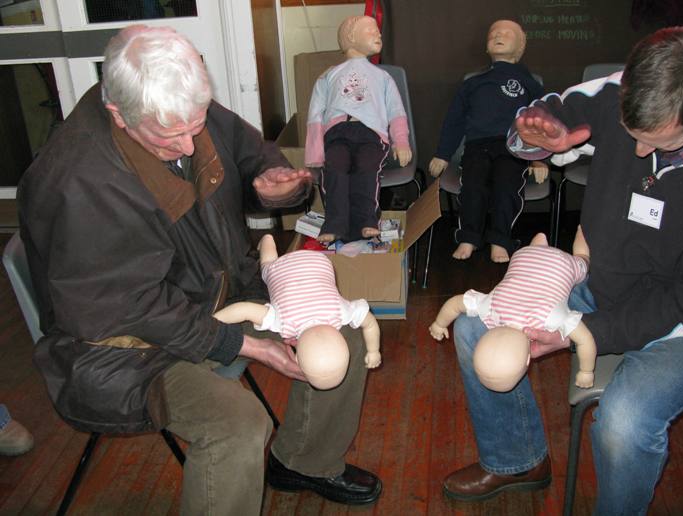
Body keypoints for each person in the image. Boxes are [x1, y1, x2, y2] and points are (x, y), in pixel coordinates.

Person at [18, 25, 381, 513]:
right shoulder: (77, 183)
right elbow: (133, 308)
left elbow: (249, 151)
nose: (190, 147)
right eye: (171, 136)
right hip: (128, 351)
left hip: (219, 293)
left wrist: (271, 180)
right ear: (118, 113)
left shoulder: (174, 106)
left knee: (344, 332)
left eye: (196, 126)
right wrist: (244, 344)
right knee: (238, 425)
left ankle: (303, 461)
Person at [445, 26, 683, 513]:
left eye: (656, 142)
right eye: (631, 134)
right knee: (475, 327)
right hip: (601, 280)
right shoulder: (627, 87)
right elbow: (542, 121)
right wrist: (536, 139)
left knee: (625, 423)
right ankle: (516, 461)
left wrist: (582, 333)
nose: (638, 153)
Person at [428, 20, 548, 263]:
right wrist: (443, 154)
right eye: (493, 33)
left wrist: (539, 158)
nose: (498, 36)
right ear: (486, 46)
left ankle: (500, 240)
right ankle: (469, 237)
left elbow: (541, 121)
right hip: (477, 146)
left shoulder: (529, 83)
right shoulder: (472, 83)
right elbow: (454, 121)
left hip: (513, 148)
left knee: (507, 187)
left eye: (507, 34)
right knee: (472, 186)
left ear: (520, 47)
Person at [429, 229, 595, 391]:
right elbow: (456, 303)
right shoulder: (490, 307)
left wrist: (586, 371)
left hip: (563, 264)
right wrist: (439, 324)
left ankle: (582, 230)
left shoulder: (550, 318)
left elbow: (585, 340)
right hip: (525, 257)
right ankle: (540, 242)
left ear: (528, 360)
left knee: (583, 258)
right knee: (535, 255)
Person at [215, 234, 382, 390]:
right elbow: (244, 310)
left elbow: (369, 323)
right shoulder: (283, 321)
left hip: (319, 262)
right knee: (267, 264)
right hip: (281, 268)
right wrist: (214, 321)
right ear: (296, 359)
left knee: (270, 260)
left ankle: (267, 239)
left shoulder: (341, 312)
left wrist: (373, 350)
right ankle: (267, 239)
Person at [305, 15, 411, 244]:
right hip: (337, 133)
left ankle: (366, 220)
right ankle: (334, 224)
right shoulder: (329, 75)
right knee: (334, 168)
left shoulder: (383, 77)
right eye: (371, 29)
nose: (379, 33)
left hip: (370, 134)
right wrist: (315, 151)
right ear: (351, 37)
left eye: (378, 30)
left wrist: (401, 141)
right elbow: (315, 113)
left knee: (367, 168)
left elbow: (396, 111)